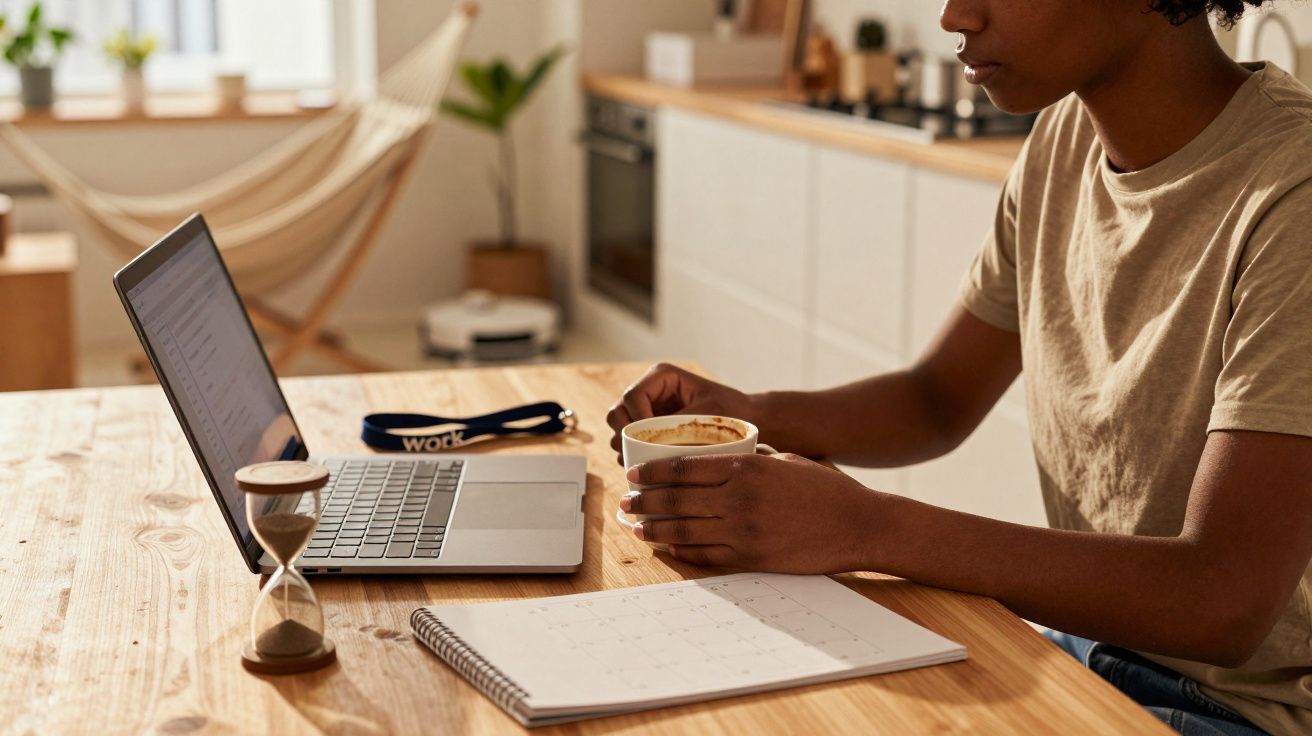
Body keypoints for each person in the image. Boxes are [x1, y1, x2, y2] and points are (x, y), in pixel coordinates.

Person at [606, 1, 1312, 734]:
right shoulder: (1064, 138)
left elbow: (1221, 599)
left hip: (1240, 714)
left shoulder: (1294, 193)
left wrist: (869, 528)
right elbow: (935, 400)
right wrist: (748, 412)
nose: (953, 15)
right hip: (1089, 653)